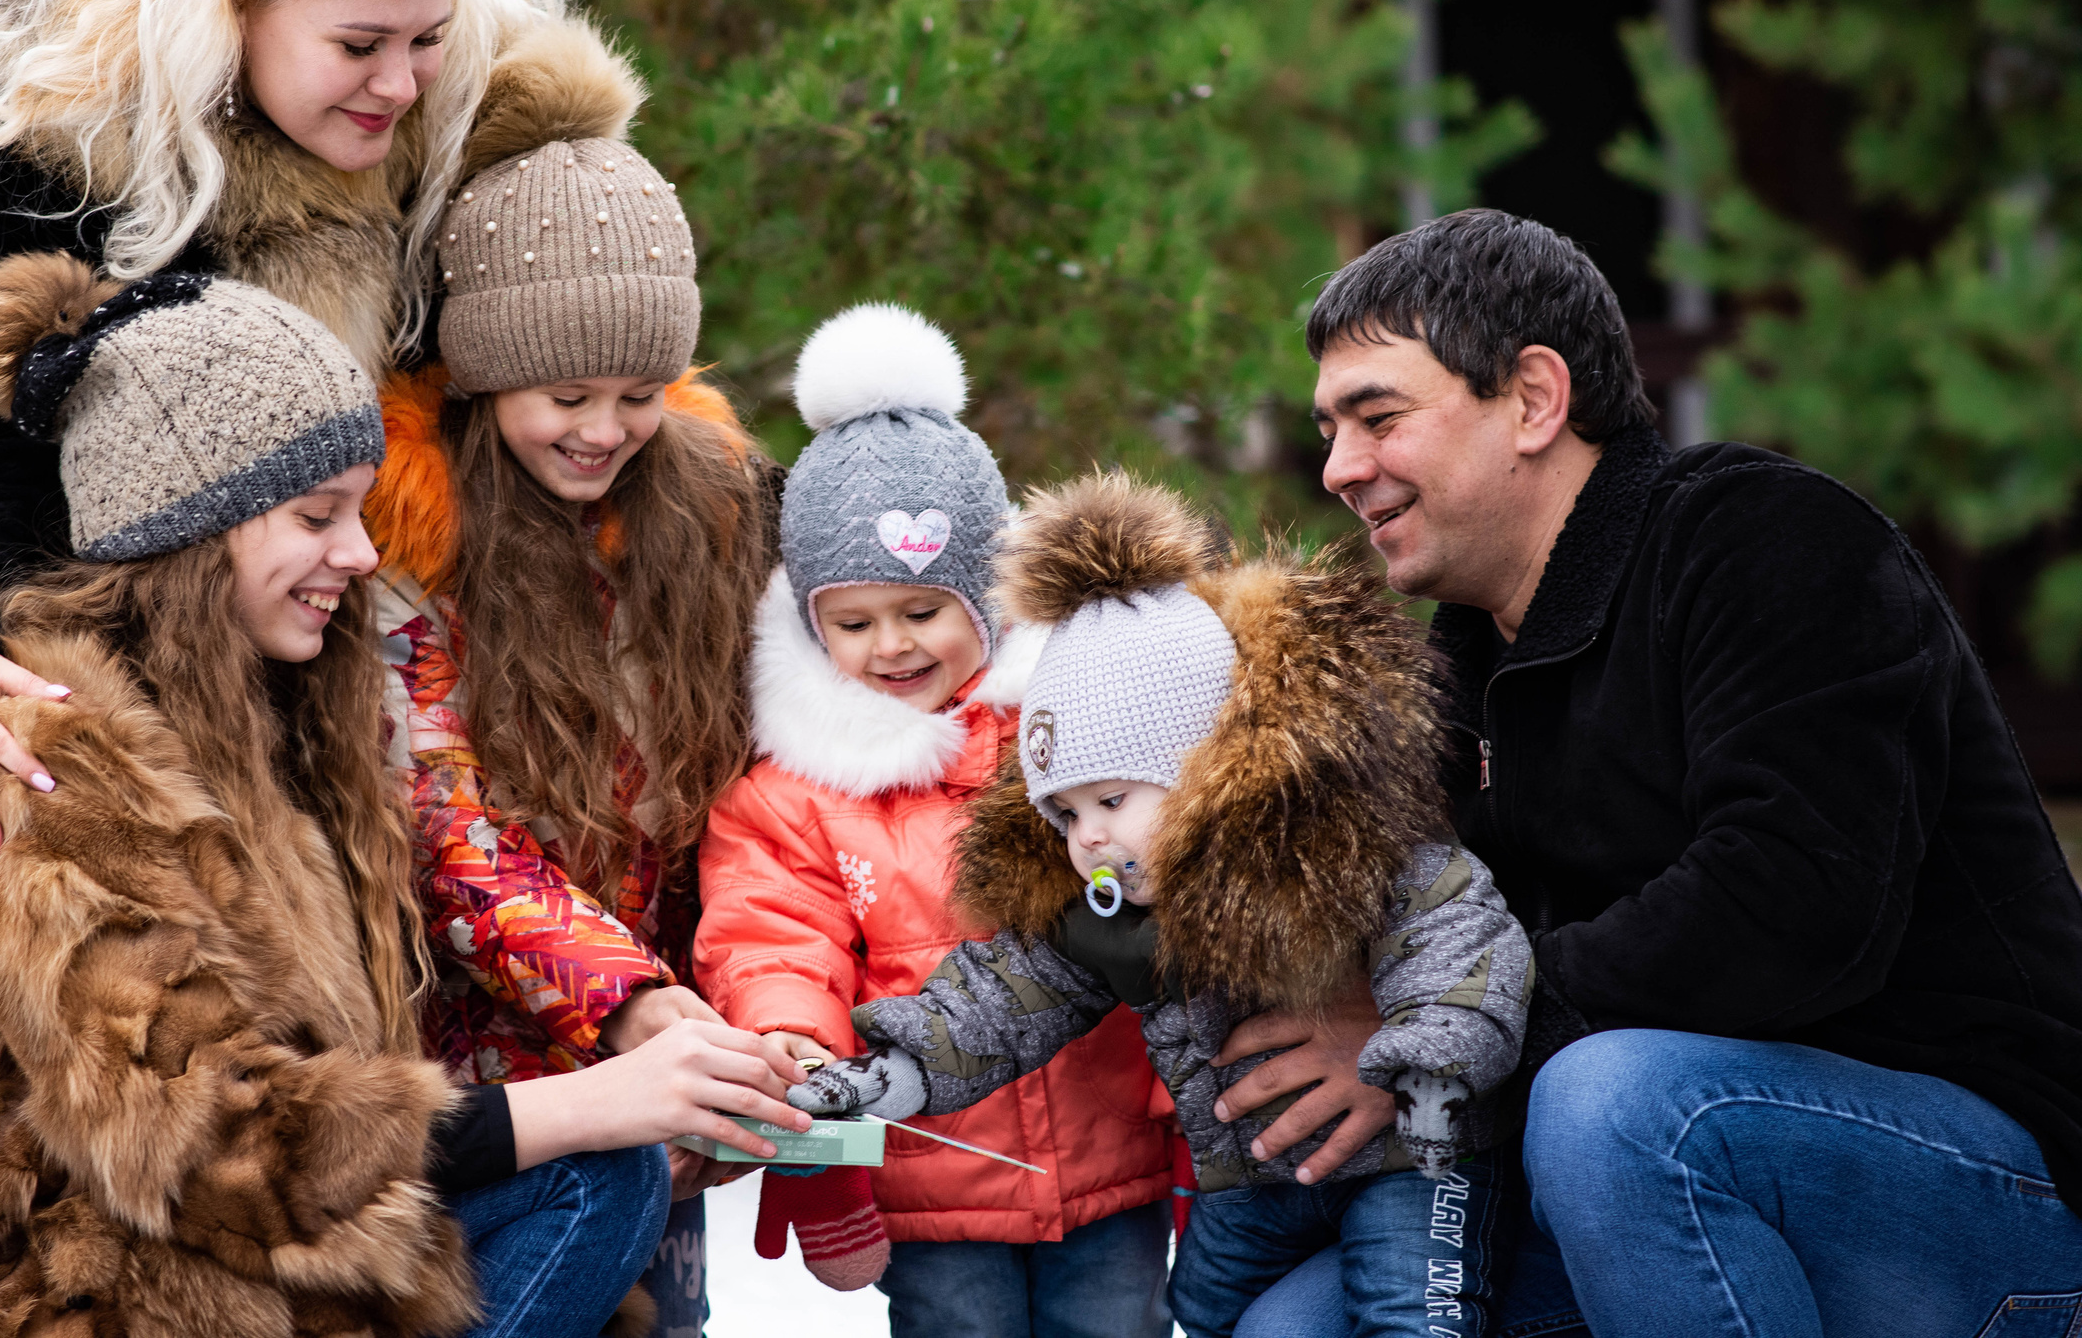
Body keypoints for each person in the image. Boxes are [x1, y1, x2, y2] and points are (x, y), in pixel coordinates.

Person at [0, 254, 813, 1338]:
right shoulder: (48, 759)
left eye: (357, 511)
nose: (358, 550)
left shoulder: (275, 714)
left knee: (600, 1186)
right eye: (316, 515)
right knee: (593, 1163)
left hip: (247, 1265)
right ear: (190, 530)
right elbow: (216, 1149)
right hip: (96, 1292)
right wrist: (588, 1100)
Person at [1241, 207, 2082, 1337]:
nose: (1341, 469)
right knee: (1301, 1324)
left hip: (1987, 1196)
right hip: (1663, 1196)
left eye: (1376, 416)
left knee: (1620, 1107)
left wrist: (1432, 1033)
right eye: (1327, 429)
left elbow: (1790, 907)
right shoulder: (1457, 661)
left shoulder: (1767, 540)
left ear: (1533, 398)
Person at [0, 0, 616, 876]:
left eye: (427, 37)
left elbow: (597, 375)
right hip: (148, 698)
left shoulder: (476, 125)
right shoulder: (58, 142)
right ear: (231, 8)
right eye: (357, 44)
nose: (398, 82)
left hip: (423, 709)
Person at [791, 474, 1533, 1338]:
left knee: (1415, 1313)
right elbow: (1003, 995)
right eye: (1065, 812)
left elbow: (1461, 939)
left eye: (1112, 800)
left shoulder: (1352, 849)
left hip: (1415, 1156)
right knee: (1205, 1309)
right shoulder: (1106, 908)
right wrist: (898, 1073)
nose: (1088, 837)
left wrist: (1431, 1066)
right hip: (1250, 1174)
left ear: (1209, 771)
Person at [357, 50, 781, 1336]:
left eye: (640, 395)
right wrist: (631, 999)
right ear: (485, 380)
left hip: (664, 1048)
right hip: (495, 1074)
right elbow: (446, 833)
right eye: (566, 396)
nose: (604, 428)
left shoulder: (703, 523)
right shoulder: (412, 556)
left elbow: (749, 803)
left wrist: (734, 1014)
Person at [692, 305, 1177, 1332]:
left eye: (923, 609)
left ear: (986, 600)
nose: (892, 646)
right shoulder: (791, 792)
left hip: (1109, 1157)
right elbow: (774, 943)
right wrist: (799, 1064)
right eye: (854, 620)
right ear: (810, 620)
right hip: (928, 1174)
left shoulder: (1062, 740)